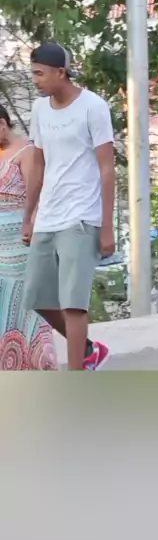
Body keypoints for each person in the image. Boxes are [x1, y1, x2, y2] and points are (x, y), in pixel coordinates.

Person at [21, 41, 116, 370]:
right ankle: (89, 350)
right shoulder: (39, 109)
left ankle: (76, 376)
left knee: (73, 304)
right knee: (37, 296)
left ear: (60, 72)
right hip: (49, 215)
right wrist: (29, 216)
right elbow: (38, 163)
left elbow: (107, 168)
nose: (35, 80)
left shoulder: (93, 107)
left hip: (82, 217)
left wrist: (107, 226)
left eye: (39, 73)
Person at [0, 105, 58, 369]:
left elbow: (39, 197)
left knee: (24, 304)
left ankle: (37, 364)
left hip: (19, 243)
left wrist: (32, 226)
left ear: (3, 125)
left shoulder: (28, 151)